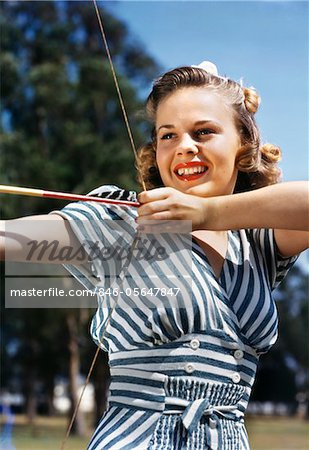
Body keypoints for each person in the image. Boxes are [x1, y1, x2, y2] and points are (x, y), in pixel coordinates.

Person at [1, 61, 308, 450]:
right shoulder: (122, 221)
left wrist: (209, 214)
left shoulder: (259, 244)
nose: (183, 147)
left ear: (243, 144)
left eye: (204, 132)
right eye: (168, 135)